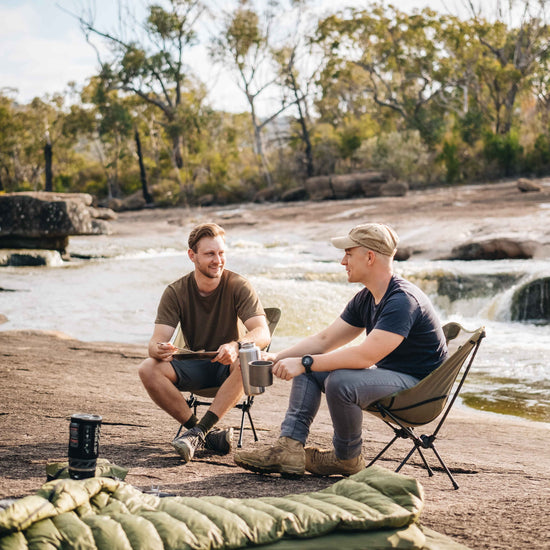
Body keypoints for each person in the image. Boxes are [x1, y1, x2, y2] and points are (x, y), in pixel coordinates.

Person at [234, 222, 448, 477]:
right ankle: (289, 448)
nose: (342, 261)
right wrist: (278, 357)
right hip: (395, 378)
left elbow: (365, 356)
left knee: (340, 381)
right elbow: (325, 339)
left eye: (349, 253)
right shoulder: (367, 297)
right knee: (313, 368)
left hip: (420, 391)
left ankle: (347, 458)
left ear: (369, 257)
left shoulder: (402, 301)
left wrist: (303, 362)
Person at [138, 222, 271, 463]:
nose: (218, 260)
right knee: (147, 367)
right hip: (195, 367)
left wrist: (236, 345)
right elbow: (155, 342)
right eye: (210, 254)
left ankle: (198, 433)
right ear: (192, 256)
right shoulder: (176, 291)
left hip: (229, 370)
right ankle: (205, 435)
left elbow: (263, 332)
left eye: (221, 253)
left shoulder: (238, 285)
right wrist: (158, 349)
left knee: (249, 359)